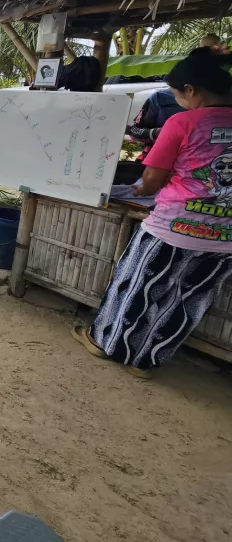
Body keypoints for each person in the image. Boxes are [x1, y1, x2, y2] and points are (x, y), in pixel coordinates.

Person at [72, 50, 232, 377]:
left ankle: (105, 342)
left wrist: (142, 189)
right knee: (189, 300)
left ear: (191, 90)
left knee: (138, 288)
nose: (179, 102)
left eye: (177, 95)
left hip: (173, 228)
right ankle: (147, 361)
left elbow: (152, 180)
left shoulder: (183, 122)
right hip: (224, 238)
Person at [127, 89, 185, 162]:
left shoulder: (202, 109)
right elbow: (134, 132)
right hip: (159, 158)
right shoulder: (160, 97)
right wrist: (158, 132)